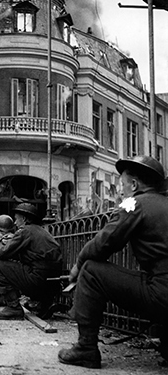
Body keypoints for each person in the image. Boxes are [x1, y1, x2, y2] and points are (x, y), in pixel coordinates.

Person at [58, 155, 168, 369]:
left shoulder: (132, 202)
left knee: (91, 270)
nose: (121, 190)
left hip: (162, 293)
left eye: (123, 184)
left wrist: (78, 264)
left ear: (134, 185)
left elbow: (104, 241)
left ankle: (86, 348)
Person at [0, 202, 62, 320]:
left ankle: (13, 307)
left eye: (16, 219)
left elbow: (3, 253)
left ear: (25, 219)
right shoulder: (42, 232)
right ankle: (43, 304)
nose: (15, 223)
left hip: (37, 280)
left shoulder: (25, 231)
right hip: (53, 284)